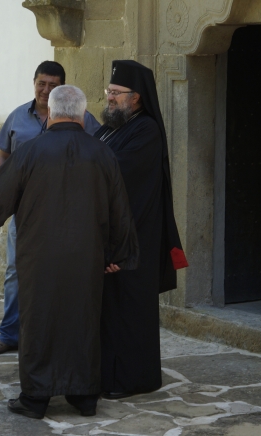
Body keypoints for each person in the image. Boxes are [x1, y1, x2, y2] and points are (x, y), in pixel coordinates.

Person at [0, 85, 139, 419]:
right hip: (87, 256)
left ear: (50, 112)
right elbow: (120, 210)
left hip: (39, 256)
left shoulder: (30, 151)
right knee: (83, 320)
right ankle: (83, 396)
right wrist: (117, 255)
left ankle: (35, 397)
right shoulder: (102, 152)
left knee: (38, 321)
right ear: (82, 115)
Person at [0, 61, 102, 356]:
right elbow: (3, 158)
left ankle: (56, 335)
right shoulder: (16, 118)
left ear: (61, 88)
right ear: (34, 82)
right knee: (14, 272)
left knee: (60, 274)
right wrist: (4, 198)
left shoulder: (82, 119)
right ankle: (10, 334)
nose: (45, 90)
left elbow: (100, 151)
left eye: (52, 85)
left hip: (65, 215)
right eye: (41, 83)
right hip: (24, 214)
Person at [94, 60, 189, 400]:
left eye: (116, 94)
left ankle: (132, 379)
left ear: (136, 98)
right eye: (109, 92)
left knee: (129, 311)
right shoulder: (109, 128)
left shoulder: (146, 130)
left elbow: (120, 173)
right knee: (109, 311)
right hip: (111, 233)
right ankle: (106, 375)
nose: (110, 99)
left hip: (134, 238)